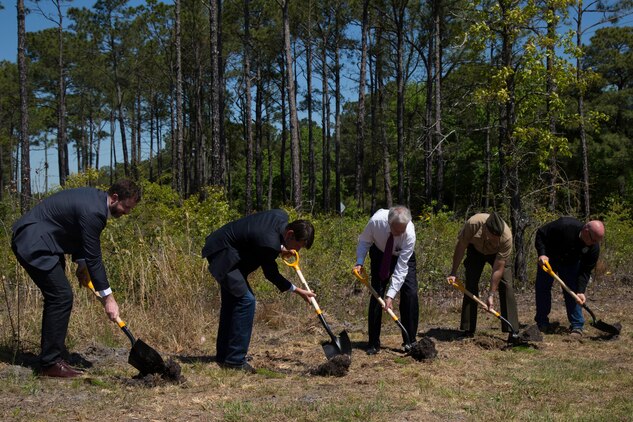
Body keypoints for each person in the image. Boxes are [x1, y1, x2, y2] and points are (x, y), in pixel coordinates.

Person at [11, 180, 141, 378]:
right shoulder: (95, 212)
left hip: (47, 244)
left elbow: (78, 233)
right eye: (126, 207)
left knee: (58, 296)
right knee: (61, 296)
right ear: (115, 198)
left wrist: (81, 265)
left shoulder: (96, 202)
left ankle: (54, 354)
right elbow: (95, 258)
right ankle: (50, 364)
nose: (127, 212)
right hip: (33, 242)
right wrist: (109, 299)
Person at [201, 209, 315, 373]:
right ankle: (234, 361)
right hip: (222, 254)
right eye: (298, 246)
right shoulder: (268, 243)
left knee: (233, 302)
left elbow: (259, 238)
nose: (298, 251)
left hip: (227, 248)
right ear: (289, 234)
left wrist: (280, 248)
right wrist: (298, 290)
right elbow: (271, 274)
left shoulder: (281, 217)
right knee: (246, 301)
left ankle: (225, 355)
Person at [354, 206, 419, 355]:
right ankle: (373, 342)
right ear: (389, 223)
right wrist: (359, 262)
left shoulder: (409, 233)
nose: (399, 233)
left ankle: (410, 341)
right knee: (377, 293)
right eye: (396, 230)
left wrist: (391, 295)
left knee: (411, 293)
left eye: (402, 230)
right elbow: (364, 241)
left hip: (403, 257)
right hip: (380, 253)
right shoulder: (376, 221)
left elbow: (402, 267)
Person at [447, 212, 519, 338]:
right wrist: (453, 272)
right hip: (475, 250)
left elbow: (498, 268)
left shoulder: (507, 238)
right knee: (470, 283)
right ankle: (468, 328)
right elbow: (461, 246)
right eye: (493, 237)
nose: (495, 239)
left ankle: (512, 330)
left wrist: (491, 294)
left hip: (497, 255)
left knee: (506, 285)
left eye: (498, 237)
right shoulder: (473, 224)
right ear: (485, 229)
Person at [534, 217, 604, 338]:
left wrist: (581, 291)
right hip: (549, 259)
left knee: (573, 291)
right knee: (542, 288)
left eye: (596, 241)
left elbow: (585, 271)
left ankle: (577, 326)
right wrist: (542, 253)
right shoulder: (565, 225)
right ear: (586, 230)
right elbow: (541, 233)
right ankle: (542, 323)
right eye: (593, 240)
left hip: (570, 264)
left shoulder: (593, 248)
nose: (594, 244)